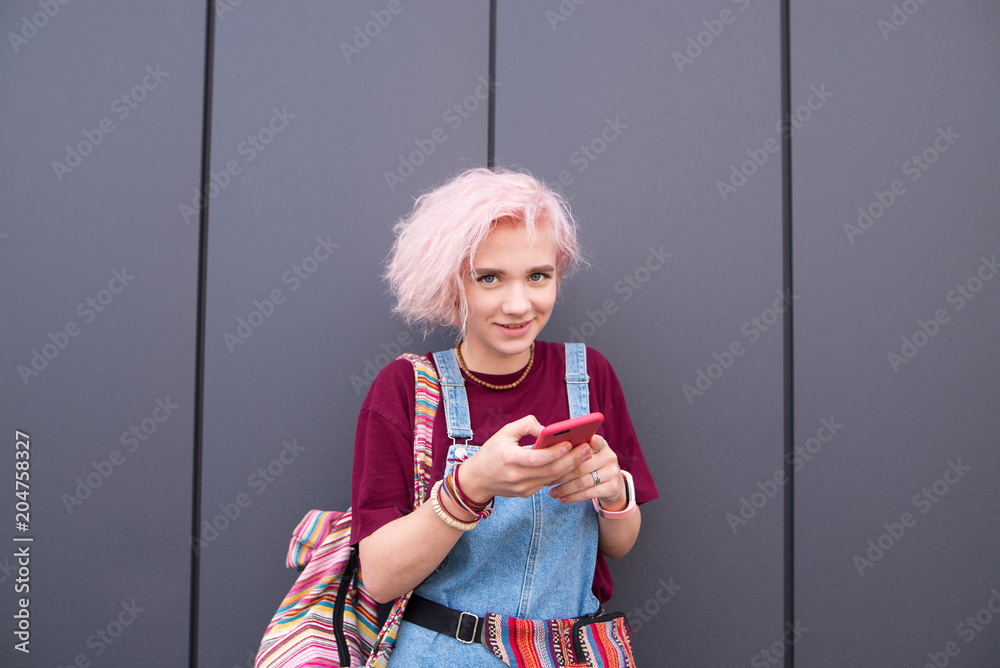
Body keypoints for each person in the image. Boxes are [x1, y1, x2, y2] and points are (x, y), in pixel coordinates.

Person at [350, 167, 658, 666]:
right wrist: (471, 485)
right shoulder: (404, 388)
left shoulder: (589, 375)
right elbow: (380, 577)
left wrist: (615, 494)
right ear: (452, 282)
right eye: (489, 278)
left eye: (538, 276)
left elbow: (619, 546)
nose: (518, 305)